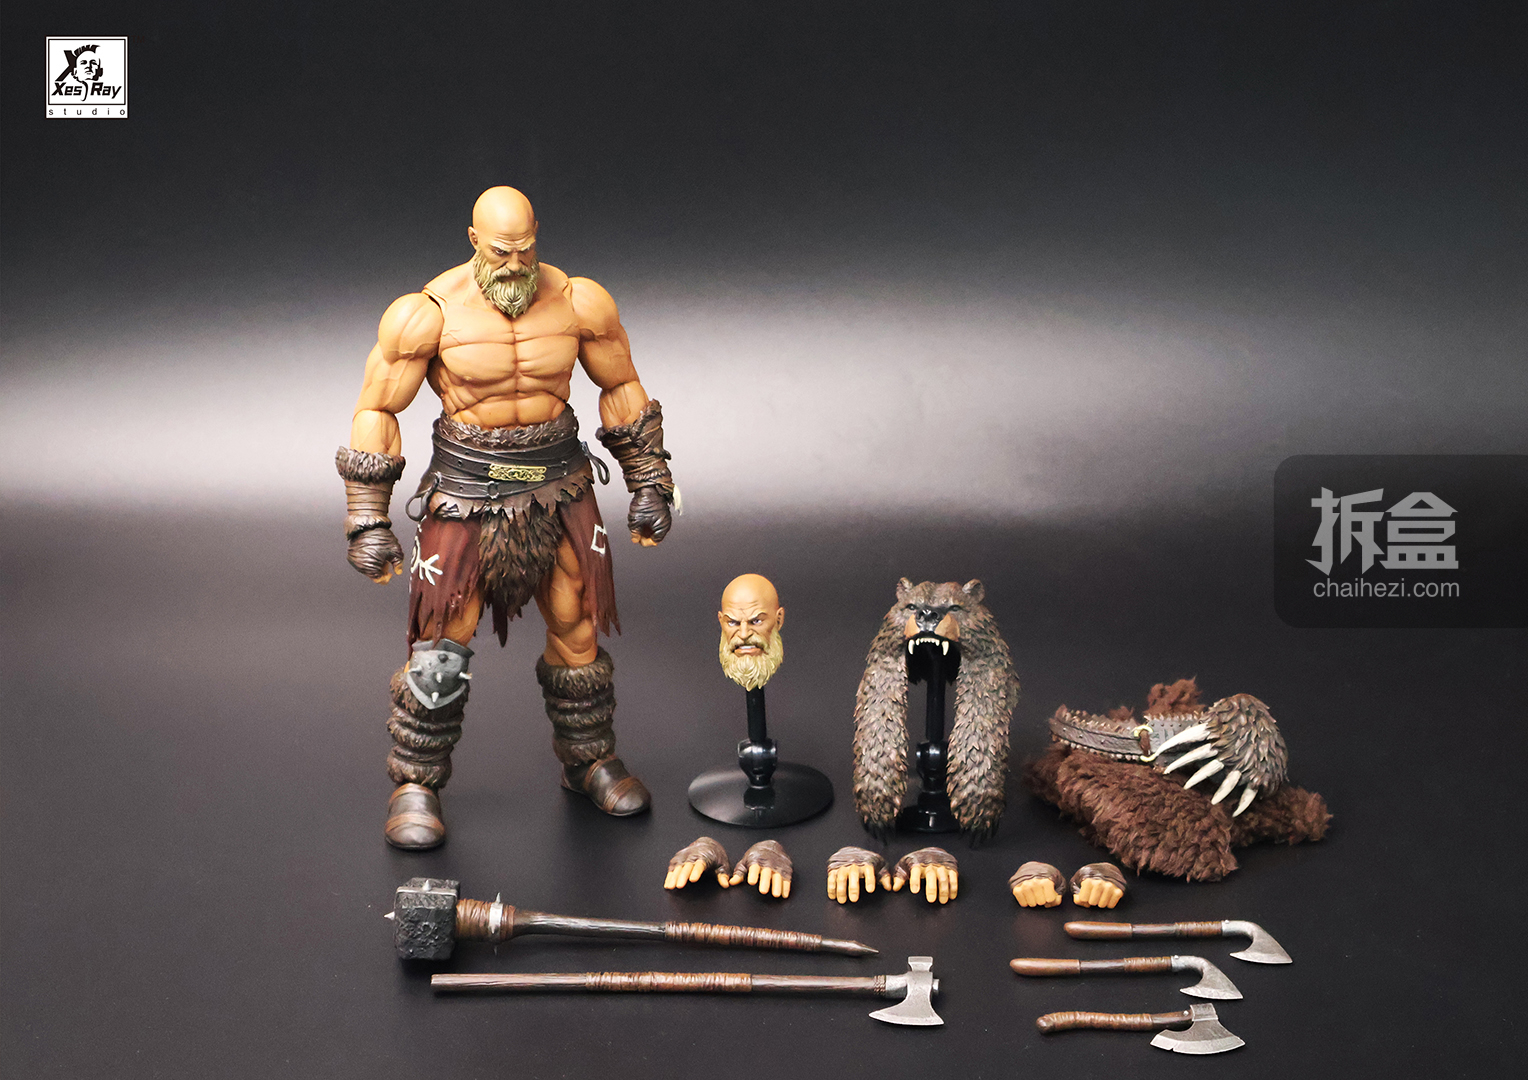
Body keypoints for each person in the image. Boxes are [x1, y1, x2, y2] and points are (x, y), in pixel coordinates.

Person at [336, 186, 675, 849]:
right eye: (500, 252)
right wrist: (367, 518)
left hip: (561, 486)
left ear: (537, 234)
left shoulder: (580, 301)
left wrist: (650, 481)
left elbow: (621, 386)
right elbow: (376, 409)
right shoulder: (426, 313)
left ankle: (588, 761)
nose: (516, 264)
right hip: (467, 493)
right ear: (473, 241)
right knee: (442, 637)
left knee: (577, 625)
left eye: (525, 249)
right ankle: (416, 783)